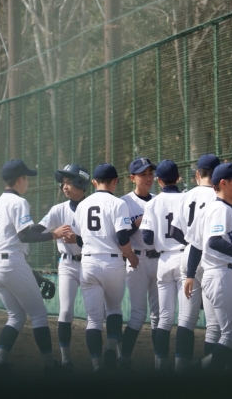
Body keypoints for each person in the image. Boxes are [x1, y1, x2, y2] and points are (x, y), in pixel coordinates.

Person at [184, 162, 232, 370]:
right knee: (231, 334)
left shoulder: (213, 209)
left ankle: (209, 366)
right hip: (220, 275)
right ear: (223, 183)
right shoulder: (220, 209)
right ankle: (204, 371)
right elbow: (214, 242)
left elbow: (197, 244)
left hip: (229, 274)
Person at [0, 160, 61, 375]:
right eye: (26, 178)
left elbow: (21, 232)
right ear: (20, 179)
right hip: (12, 263)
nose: (27, 182)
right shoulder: (19, 202)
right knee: (38, 315)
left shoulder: (0, 201)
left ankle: (0, 361)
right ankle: (49, 365)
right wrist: (53, 235)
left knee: (16, 316)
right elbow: (25, 235)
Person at [72, 163, 139, 373]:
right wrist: (131, 256)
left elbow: (79, 239)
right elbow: (122, 237)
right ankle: (111, 346)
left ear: (94, 182)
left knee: (93, 319)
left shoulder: (82, 205)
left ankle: (97, 365)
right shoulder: (118, 203)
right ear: (115, 181)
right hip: (112, 263)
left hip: (88, 263)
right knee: (114, 309)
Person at [37, 164, 90, 371]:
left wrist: (78, 239)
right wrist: (52, 234)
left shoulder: (93, 206)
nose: (65, 187)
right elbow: (38, 230)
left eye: (69, 182)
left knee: (96, 313)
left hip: (90, 262)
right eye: (63, 183)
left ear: (81, 183)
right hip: (67, 263)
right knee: (66, 311)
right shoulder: (57, 210)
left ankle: (103, 357)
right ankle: (66, 359)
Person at [171, 153, 220, 371]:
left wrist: (191, 242)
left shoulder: (186, 195)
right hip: (210, 257)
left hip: (188, 255)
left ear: (198, 173)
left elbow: (174, 231)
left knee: (186, 318)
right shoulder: (218, 196)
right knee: (213, 323)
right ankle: (209, 370)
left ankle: (180, 367)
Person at [140, 160, 185, 371]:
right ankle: (181, 368)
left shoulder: (152, 203)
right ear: (178, 178)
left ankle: (160, 366)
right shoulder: (186, 199)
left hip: (163, 261)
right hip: (184, 258)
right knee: (185, 318)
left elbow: (147, 239)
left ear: (158, 181)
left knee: (164, 318)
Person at [119, 157, 159, 370]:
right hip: (137, 260)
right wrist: (135, 224)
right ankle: (123, 358)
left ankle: (160, 362)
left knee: (159, 316)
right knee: (138, 314)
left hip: (158, 259)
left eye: (150, 173)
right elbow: (119, 236)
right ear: (132, 178)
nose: (148, 178)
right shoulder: (124, 202)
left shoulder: (158, 200)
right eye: (143, 174)